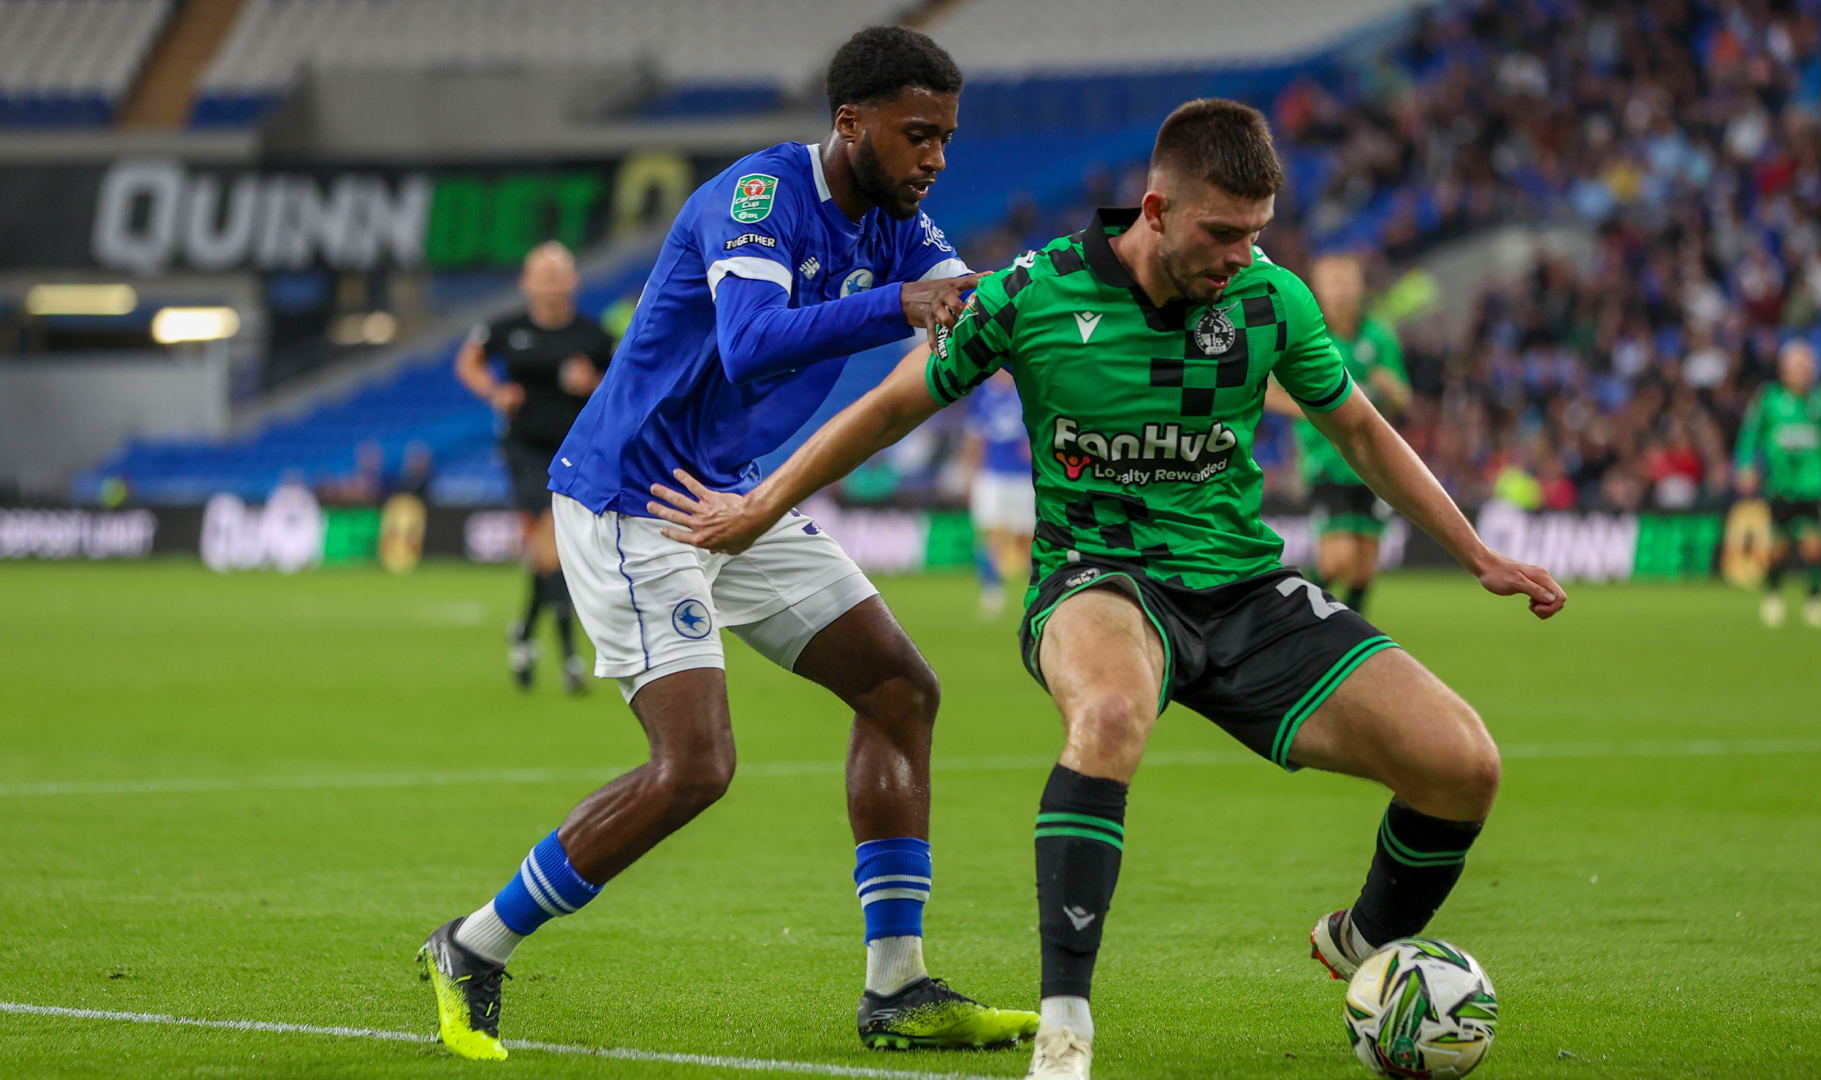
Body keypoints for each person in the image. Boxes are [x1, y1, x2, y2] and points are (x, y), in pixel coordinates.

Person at [647, 100, 1566, 1080]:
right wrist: (757, 504)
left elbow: (1364, 435)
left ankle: (1360, 943)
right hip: (1099, 580)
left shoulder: (1270, 301)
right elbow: (889, 408)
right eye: (1221, 234)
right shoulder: (1033, 293)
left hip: (1242, 587)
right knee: (1112, 715)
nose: (1239, 256)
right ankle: (1066, 1028)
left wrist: (1477, 554)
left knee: (1464, 765)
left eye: (1256, 235)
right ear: (1157, 207)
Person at [417, 27, 1037, 1061]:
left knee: (900, 691)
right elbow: (751, 341)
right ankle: (471, 947)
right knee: (695, 766)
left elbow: (967, 300)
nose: (935, 159)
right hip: (632, 498)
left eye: (946, 140)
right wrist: (900, 307)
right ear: (851, 125)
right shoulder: (758, 200)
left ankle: (897, 985)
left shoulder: (900, 225)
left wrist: (1059, 299)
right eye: (917, 135)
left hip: (732, 494)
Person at [455, 242, 613, 693]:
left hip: (576, 454)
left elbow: (625, 386)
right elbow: (468, 361)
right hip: (524, 451)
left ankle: (524, 635)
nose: (551, 283)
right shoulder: (506, 329)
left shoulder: (594, 335)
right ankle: (569, 661)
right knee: (551, 547)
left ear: (574, 281)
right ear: (525, 282)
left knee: (549, 553)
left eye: (559, 273)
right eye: (542, 274)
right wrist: (494, 392)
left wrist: (593, 383)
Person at [1267, 254, 1410, 615]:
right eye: (1333, 283)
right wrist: (1313, 408)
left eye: (1347, 282)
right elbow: (1268, 391)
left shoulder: (1378, 336)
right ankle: (1295, 616)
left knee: (1363, 568)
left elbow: (1402, 399)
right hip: (1326, 460)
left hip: (1372, 463)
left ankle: (1351, 640)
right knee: (1336, 560)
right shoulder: (1307, 333)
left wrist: (1391, 389)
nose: (1341, 292)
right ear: (1317, 289)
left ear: (1360, 286)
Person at [1736, 339, 1821, 628]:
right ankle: (1773, 595)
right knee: (1777, 548)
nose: (1802, 371)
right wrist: (1746, 465)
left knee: (1815, 546)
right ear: (1784, 369)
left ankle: (1814, 600)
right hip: (1780, 485)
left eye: (1806, 365)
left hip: (1814, 485)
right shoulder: (1769, 399)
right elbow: (1750, 435)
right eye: (1796, 366)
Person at [962, 369, 1035, 617]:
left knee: (1028, 537)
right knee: (990, 533)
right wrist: (969, 474)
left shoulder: (1025, 391)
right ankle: (992, 593)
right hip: (991, 475)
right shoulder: (983, 395)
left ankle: (1036, 590)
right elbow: (976, 436)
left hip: (1023, 476)